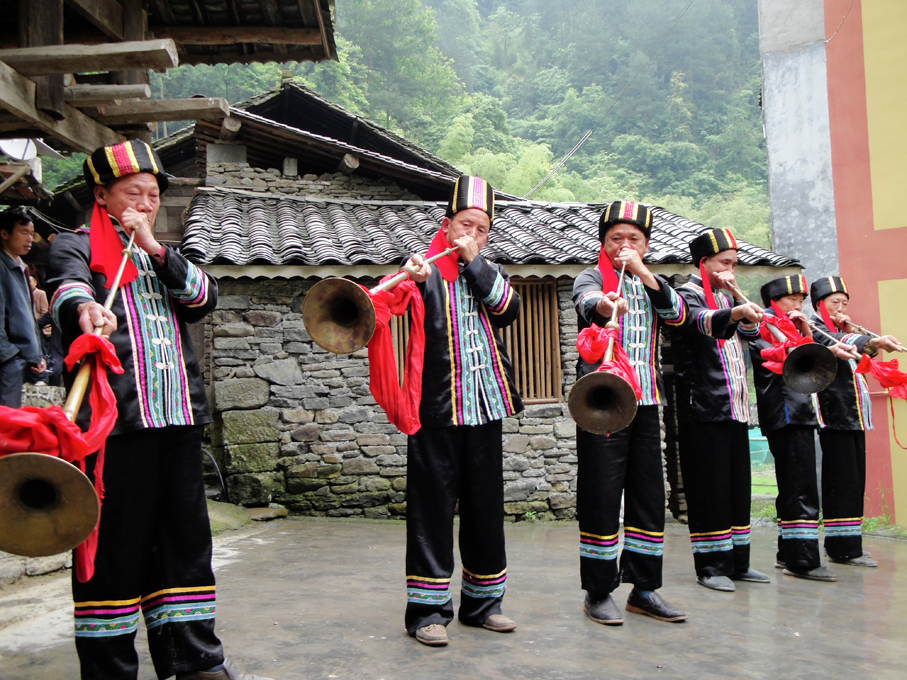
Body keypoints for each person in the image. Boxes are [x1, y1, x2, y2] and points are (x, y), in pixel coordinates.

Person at [45, 140, 270, 680]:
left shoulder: (161, 254)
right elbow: (66, 290)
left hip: (177, 421)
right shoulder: (75, 245)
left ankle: (194, 658)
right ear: (102, 195)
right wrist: (86, 307)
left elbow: (203, 298)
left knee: (184, 543)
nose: (144, 204)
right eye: (133, 194)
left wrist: (153, 248)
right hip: (114, 428)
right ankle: (110, 667)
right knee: (114, 549)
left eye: (151, 195)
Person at [399, 175, 523, 647]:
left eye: (482, 229)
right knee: (431, 510)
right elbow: (387, 308)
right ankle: (428, 611)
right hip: (435, 410)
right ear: (446, 224)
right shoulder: (421, 268)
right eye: (465, 225)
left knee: (485, 507)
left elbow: (508, 309)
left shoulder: (488, 271)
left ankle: (483, 604)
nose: (472, 234)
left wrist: (474, 262)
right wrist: (409, 281)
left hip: (485, 406)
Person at [572, 200, 688, 625]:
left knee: (648, 494)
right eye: (615, 238)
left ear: (646, 245)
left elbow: (678, 315)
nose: (624, 245)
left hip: (647, 401)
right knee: (601, 494)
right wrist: (608, 305)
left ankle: (644, 588)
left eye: (633, 239)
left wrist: (642, 273)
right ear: (603, 243)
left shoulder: (654, 283)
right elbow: (589, 304)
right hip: (603, 403)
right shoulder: (591, 277)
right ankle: (598, 590)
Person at [670, 228, 770, 592]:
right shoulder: (687, 294)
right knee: (709, 488)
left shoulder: (728, 297)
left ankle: (739, 562)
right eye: (725, 263)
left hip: (735, 406)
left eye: (734, 264)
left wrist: (743, 306)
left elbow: (753, 337)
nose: (730, 269)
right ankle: (711, 566)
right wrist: (735, 309)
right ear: (704, 263)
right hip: (704, 406)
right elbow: (701, 323)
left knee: (737, 487)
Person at [750, 275, 855, 582]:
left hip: (800, 412)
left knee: (794, 484)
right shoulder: (764, 324)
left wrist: (806, 331)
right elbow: (789, 357)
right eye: (791, 300)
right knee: (799, 485)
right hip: (785, 411)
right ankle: (803, 560)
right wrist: (812, 341)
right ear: (774, 301)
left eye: (800, 300)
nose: (798, 305)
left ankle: (788, 551)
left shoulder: (794, 326)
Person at [809, 276, 902, 568]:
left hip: (853, 416)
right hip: (834, 414)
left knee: (853, 481)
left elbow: (859, 348)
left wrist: (870, 340)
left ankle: (850, 544)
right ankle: (841, 548)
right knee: (841, 480)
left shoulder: (841, 330)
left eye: (844, 303)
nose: (840, 308)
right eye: (834, 302)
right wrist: (873, 340)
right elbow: (837, 343)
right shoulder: (813, 327)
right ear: (818, 304)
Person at [0, 208, 46, 407]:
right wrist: (10, 357)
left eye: (31, 233)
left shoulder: (20, 265)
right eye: (24, 232)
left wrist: (35, 354)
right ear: (4, 234)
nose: (30, 239)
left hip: (16, 359)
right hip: (7, 360)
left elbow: (27, 316)